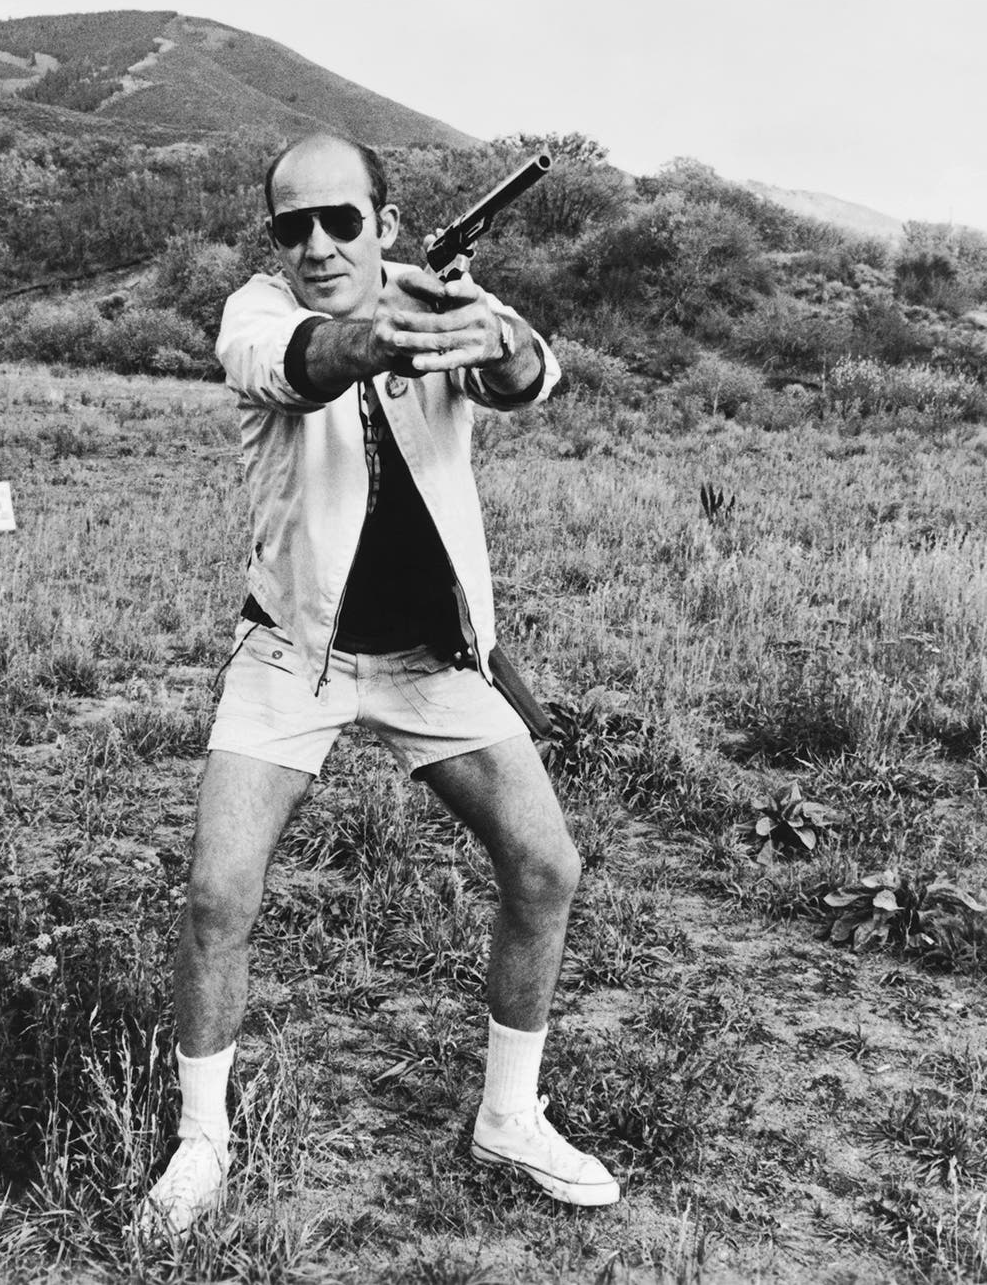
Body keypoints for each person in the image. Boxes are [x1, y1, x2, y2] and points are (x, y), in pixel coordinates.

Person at [137, 133, 618, 1238]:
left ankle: (509, 1114)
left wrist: (486, 336)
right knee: (218, 895)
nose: (314, 243)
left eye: (340, 221)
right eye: (290, 226)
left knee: (546, 866)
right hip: (292, 655)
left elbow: (526, 378)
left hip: (431, 660)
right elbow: (301, 361)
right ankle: (201, 1140)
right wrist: (380, 334)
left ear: (385, 226)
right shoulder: (254, 313)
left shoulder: (442, 295)